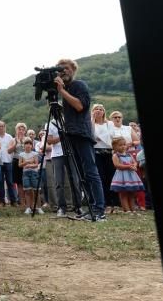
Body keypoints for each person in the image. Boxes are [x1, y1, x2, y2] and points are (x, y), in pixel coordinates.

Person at [53, 59, 107, 221]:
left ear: (73, 70)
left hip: (82, 134)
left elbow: (80, 106)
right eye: (61, 68)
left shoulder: (79, 85)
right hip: (71, 134)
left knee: (90, 172)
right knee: (82, 174)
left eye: (67, 68)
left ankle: (99, 210)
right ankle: (90, 207)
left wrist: (61, 91)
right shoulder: (67, 89)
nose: (63, 70)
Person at [91, 104, 116, 214]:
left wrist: (98, 137)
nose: (99, 111)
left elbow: (111, 136)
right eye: (96, 109)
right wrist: (92, 120)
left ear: (104, 112)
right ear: (92, 111)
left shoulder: (109, 123)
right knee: (100, 178)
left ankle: (113, 203)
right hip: (96, 153)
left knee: (110, 177)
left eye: (101, 109)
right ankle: (103, 203)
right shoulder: (91, 123)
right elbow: (91, 135)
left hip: (108, 153)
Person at [110, 136, 144, 212]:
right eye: (120, 145)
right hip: (122, 177)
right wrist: (129, 166)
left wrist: (134, 165)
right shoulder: (116, 155)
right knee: (123, 194)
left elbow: (134, 162)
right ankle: (127, 210)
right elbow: (117, 165)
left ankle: (133, 209)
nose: (123, 146)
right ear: (114, 147)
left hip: (131, 176)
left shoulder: (129, 155)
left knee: (132, 193)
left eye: (124, 144)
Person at [0, 121, 17, 206]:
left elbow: (12, 148)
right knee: (0, 182)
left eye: (2, 126)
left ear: (5, 127)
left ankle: (13, 201)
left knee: (10, 182)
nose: (0, 127)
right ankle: (1, 201)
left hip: (8, 161)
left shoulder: (9, 137)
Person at [18, 137, 41, 214]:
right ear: (23, 146)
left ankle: (39, 207)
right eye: (26, 144)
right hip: (25, 174)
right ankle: (28, 208)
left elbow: (36, 164)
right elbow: (19, 165)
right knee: (27, 190)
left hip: (34, 173)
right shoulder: (21, 154)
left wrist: (29, 165)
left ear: (32, 146)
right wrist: (28, 162)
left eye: (29, 144)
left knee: (36, 190)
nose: (28, 145)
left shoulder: (35, 154)